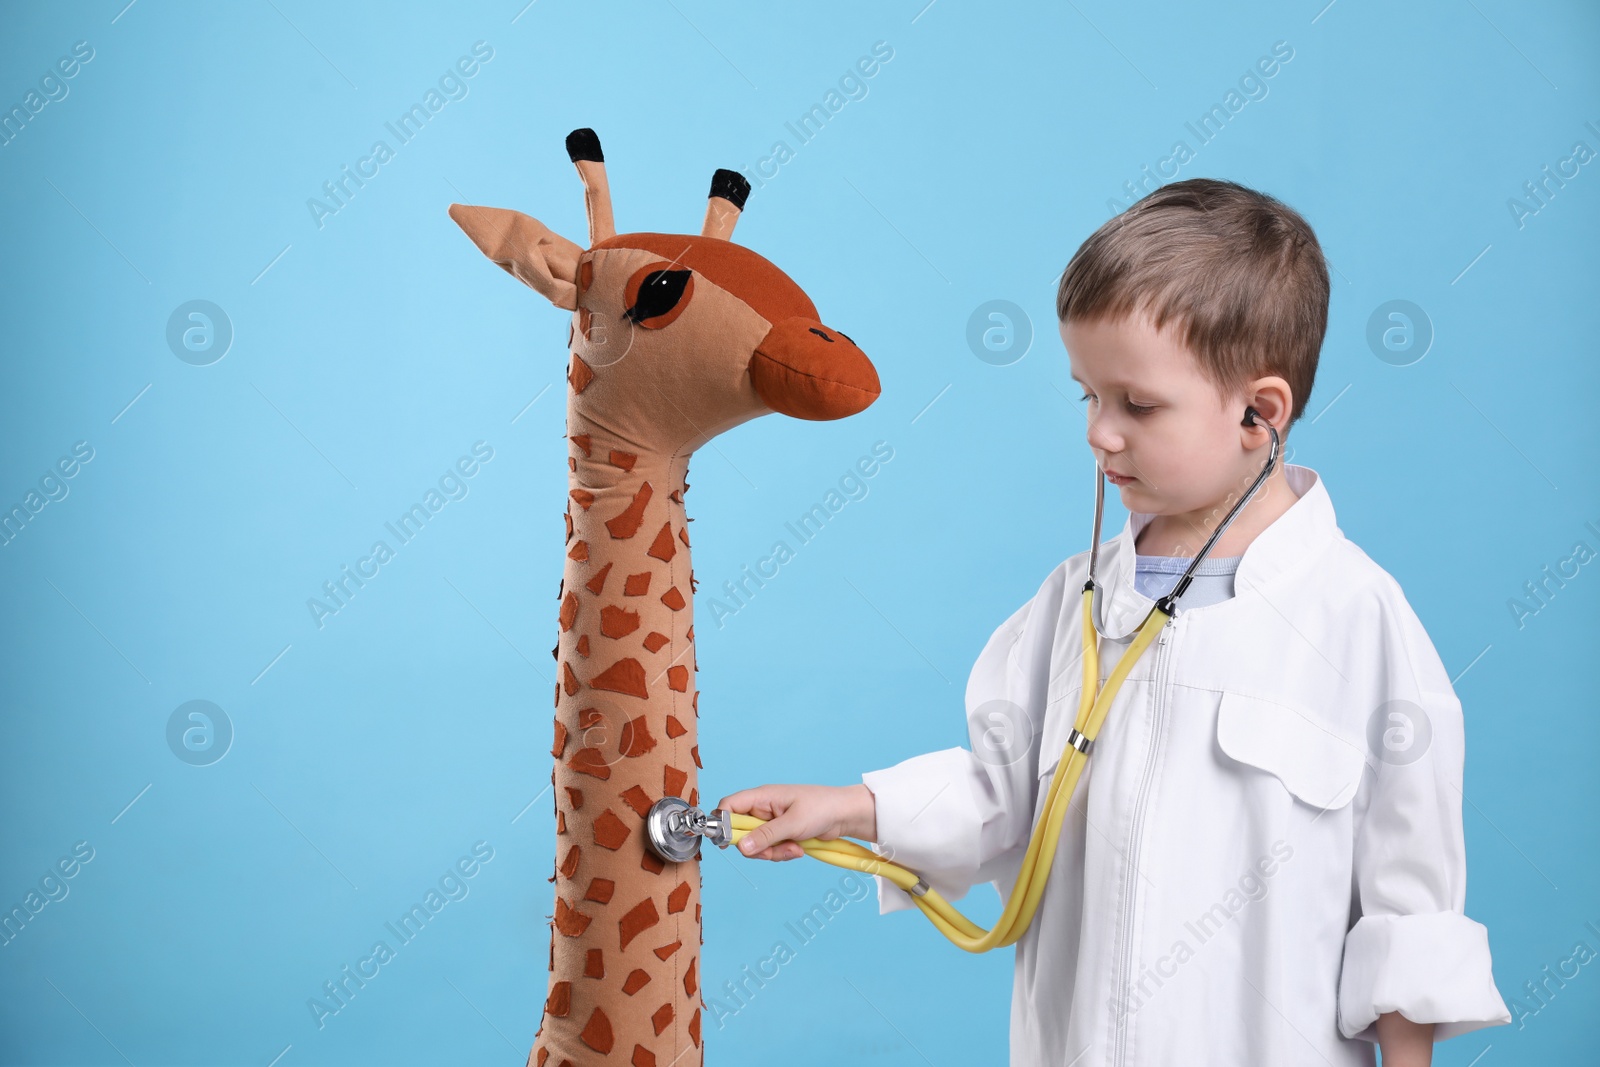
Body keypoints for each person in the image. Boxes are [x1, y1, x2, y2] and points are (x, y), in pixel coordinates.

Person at [717, 179, 1512, 1066]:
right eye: (1086, 395)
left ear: (1261, 412)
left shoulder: (1359, 621)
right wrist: (859, 808)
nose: (1100, 432)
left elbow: (1410, 911)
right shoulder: (1077, 598)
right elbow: (1003, 794)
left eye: (1137, 403)